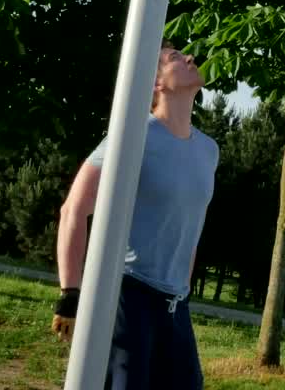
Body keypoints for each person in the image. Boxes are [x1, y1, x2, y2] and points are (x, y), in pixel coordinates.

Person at [52, 39, 220, 389]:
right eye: (175, 57)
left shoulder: (209, 150)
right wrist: (71, 292)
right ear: (156, 83)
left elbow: (189, 227)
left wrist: (183, 288)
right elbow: (75, 208)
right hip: (127, 297)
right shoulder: (134, 133)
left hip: (176, 304)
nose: (190, 57)